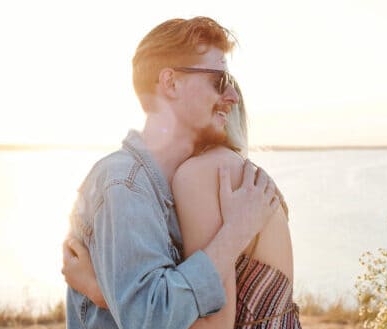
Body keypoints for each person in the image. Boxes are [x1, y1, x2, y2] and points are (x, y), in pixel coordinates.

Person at [63, 17, 282, 329]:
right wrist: (237, 231)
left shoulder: (190, 185)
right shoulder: (124, 183)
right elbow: (150, 320)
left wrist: (103, 293)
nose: (232, 98)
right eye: (220, 82)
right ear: (171, 83)